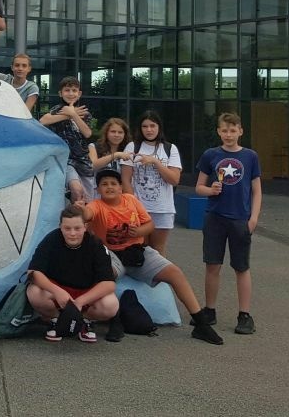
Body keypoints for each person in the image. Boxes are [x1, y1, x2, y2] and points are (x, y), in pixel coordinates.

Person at [78, 169, 222, 345]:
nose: (109, 187)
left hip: (137, 251)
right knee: (105, 277)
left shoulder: (131, 200)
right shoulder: (96, 205)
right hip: (111, 253)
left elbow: (149, 224)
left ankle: (201, 324)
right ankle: (115, 321)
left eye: (113, 183)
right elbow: (86, 214)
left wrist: (138, 231)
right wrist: (80, 209)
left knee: (175, 273)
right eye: (104, 184)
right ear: (98, 189)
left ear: (121, 187)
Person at [194, 112, 262, 335]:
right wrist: (210, 190)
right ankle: (210, 310)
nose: (229, 135)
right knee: (212, 265)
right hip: (215, 217)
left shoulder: (250, 156)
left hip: (240, 219)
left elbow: (257, 190)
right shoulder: (210, 155)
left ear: (241, 131)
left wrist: (253, 218)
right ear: (219, 132)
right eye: (224, 130)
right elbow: (199, 187)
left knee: (241, 267)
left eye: (233, 130)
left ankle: (244, 314)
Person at [26, 205, 120, 343]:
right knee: (34, 292)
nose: (72, 233)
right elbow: (33, 272)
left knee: (110, 305)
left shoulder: (96, 244)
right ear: (60, 227)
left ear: (85, 227)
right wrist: (57, 291)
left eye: (77, 228)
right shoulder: (51, 240)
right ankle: (56, 320)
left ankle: (84, 322)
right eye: (67, 228)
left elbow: (109, 284)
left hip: (86, 291)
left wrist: (80, 302)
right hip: (58, 289)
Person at [122, 110, 181, 255]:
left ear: (159, 127)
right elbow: (125, 179)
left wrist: (155, 162)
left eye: (152, 126)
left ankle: (159, 272)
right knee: (139, 247)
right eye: (145, 126)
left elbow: (174, 179)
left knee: (158, 250)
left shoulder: (169, 148)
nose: (149, 130)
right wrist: (133, 205)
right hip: (139, 207)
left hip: (163, 208)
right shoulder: (132, 147)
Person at [40, 77, 94, 202]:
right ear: (60, 93)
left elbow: (87, 133)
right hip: (65, 159)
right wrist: (68, 114)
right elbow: (43, 120)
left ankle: (76, 213)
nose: (71, 93)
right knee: (76, 189)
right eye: (67, 90)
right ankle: (72, 211)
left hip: (83, 161)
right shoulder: (57, 110)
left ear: (79, 93)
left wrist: (74, 114)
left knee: (87, 200)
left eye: (74, 90)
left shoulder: (84, 112)